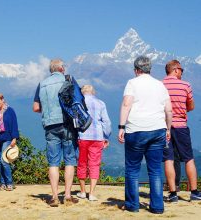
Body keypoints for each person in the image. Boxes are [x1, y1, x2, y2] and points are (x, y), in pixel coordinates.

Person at [118, 56, 172, 214]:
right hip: (158, 130)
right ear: (150, 69)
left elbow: (127, 104)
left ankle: (132, 205)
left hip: (136, 130)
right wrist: (167, 129)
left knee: (132, 169)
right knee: (155, 169)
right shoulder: (160, 85)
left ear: (136, 70)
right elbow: (169, 110)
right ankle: (157, 207)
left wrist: (121, 127)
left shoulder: (132, 83)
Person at [33, 59, 79, 207]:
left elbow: (35, 107)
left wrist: (47, 111)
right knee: (70, 160)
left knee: (53, 162)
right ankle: (67, 195)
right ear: (61, 68)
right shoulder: (68, 80)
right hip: (67, 124)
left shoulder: (42, 84)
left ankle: (54, 196)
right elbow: (77, 102)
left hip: (50, 125)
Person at [162, 60, 201, 202]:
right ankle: (194, 192)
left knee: (168, 159)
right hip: (181, 126)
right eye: (181, 70)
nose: (182, 73)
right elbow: (191, 106)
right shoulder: (185, 85)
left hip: (164, 127)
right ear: (175, 70)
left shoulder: (159, 85)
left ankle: (173, 194)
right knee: (189, 159)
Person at [76, 85, 111, 201]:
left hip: (83, 136)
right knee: (94, 164)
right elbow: (106, 122)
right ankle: (91, 193)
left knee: (82, 163)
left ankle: (82, 191)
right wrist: (106, 136)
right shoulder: (100, 103)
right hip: (97, 137)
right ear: (93, 92)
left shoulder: (78, 103)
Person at [0, 93, 19, 191]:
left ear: (3, 100)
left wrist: (14, 138)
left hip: (7, 138)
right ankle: (2, 183)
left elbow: (14, 124)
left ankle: (9, 183)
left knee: (4, 161)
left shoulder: (10, 111)